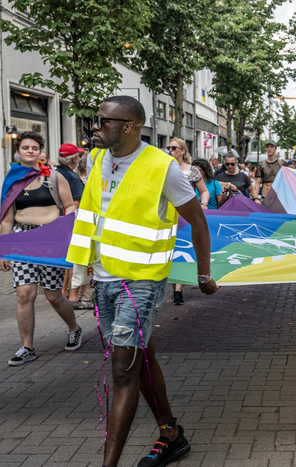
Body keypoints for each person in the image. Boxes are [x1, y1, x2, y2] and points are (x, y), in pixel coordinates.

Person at [66, 96, 218, 467]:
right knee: (140, 358)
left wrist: (203, 275)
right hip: (104, 280)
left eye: (102, 122)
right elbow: (91, 216)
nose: (95, 128)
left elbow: (198, 222)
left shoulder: (164, 168)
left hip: (143, 282)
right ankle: (171, 435)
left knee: (122, 367)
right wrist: (81, 272)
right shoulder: (96, 158)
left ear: (129, 126)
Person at [0, 131, 80, 366]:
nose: (30, 151)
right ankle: (27, 347)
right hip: (22, 239)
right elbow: (6, 219)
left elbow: (69, 207)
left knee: (53, 295)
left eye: (34, 148)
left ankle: (74, 328)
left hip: (50, 241)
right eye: (25, 148)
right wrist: (4, 250)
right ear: (18, 151)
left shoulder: (54, 177)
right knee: (25, 293)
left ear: (40, 152)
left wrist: (65, 233)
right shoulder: (12, 180)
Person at [167, 137, 209, 306]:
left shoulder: (192, 170)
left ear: (182, 151)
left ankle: (178, 289)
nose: (170, 150)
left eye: (174, 147)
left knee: (181, 248)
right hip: (166, 216)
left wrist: (203, 205)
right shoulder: (164, 168)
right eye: (168, 147)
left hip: (185, 215)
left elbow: (204, 190)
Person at [56, 143, 89, 308]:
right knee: (73, 261)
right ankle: (73, 297)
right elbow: (76, 204)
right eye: (78, 156)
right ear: (74, 159)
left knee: (63, 261)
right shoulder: (73, 178)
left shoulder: (54, 173)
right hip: (70, 224)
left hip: (55, 223)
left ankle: (63, 294)